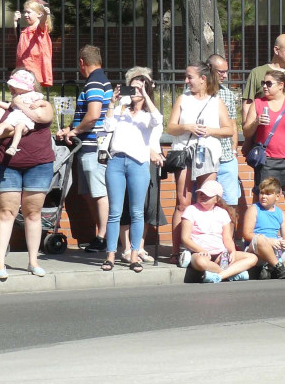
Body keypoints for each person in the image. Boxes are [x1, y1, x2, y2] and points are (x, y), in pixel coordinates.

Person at [166, 60, 234, 262]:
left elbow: (229, 130)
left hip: (208, 153)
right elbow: (170, 128)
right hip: (185, 153)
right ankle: (176, 251)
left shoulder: (215, 101)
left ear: (203, 79)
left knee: (208, 200)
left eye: (190, 77)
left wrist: (209, 130)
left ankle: (206, 249)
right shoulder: (183, 99)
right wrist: (187, 127)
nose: (186, 81)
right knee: (183, 203)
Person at [102, 67, 163, 273]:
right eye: (133, 87)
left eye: (140, 86)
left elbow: (158, 120)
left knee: (137, 212)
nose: (135, 91)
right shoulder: (121, 110)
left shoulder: (147, 115)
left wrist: (144, 94)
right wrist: (113, 103)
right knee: (115, 212)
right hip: (117, 162)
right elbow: (107, 126)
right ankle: (110, 255)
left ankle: (135, 255)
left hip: (138, 163)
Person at [0, 70, 53, 281]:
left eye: (16, 85)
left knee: (33, 213)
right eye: (11, 86)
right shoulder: (2, 110)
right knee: (6, 212)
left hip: (39, 165)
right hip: (5, 165)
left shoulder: (42, 103)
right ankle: (0, 262)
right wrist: (16, 126)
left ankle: (33, 261)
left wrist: (20, 105)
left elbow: (42, 117)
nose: (12, 89)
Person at [57, 45, 112, 253]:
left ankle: (103, 236)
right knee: (90, 193)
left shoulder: (95, 82)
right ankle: (102, 235)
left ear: (82, 62)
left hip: (92, 146)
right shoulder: (97, 80)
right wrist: (70, 129)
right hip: (87, 145)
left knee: (98, 193)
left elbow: (93, 115)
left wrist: (75, 131)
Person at [242, 68, 285, 211]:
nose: (264, 87)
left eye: (268, 84)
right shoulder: (258, 103)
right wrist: (256, 122)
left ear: (281, 85)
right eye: (263, 83)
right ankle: (261, 232)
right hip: (267, 161)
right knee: (263, 200)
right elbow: (246, 132)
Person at [180, 179, 255, 282]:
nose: (203, 196)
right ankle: (231, 273)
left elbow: (227, 238)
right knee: (201, 263)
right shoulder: (191, 210)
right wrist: (201, 250)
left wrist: (232, 251)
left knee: (252, 258)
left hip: (221, 254)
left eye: (207, 195)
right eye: (201, 193)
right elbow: (185, 238)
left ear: (217, 199)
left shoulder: (222, 213)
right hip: (200, 253)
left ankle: (219, 276)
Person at [207, 54, 244, 210]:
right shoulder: (196, 94)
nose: (224, 75)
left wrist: (234, 150)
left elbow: (233, 124)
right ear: (209, 70)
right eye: (220, 72)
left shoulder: (227, 93)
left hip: (227, 156)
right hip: (206, 156)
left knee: (230, 201)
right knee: (205, 200)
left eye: (226, 71)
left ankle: (229, 235)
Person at [0, 70, 44, 156]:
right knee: (3, 125)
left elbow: (41, 102)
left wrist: (37, 104)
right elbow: (9, 106)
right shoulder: (16, 97)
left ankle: (13, 146)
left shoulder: (33, 95)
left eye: (15, 87)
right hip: (14, 116)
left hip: (25, 118)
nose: (12, 88)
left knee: (19, 128)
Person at [13, 0, 53, 88]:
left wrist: (46, 15)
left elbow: (42, 23)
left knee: (32, 90)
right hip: (24, 65)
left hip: (34, 66)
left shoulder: (39, 29)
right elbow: (18, 38)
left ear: (39, 14)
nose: (25, 15)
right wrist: (15, 22)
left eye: (28, 12)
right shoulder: (26, 30)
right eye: (25, 12)